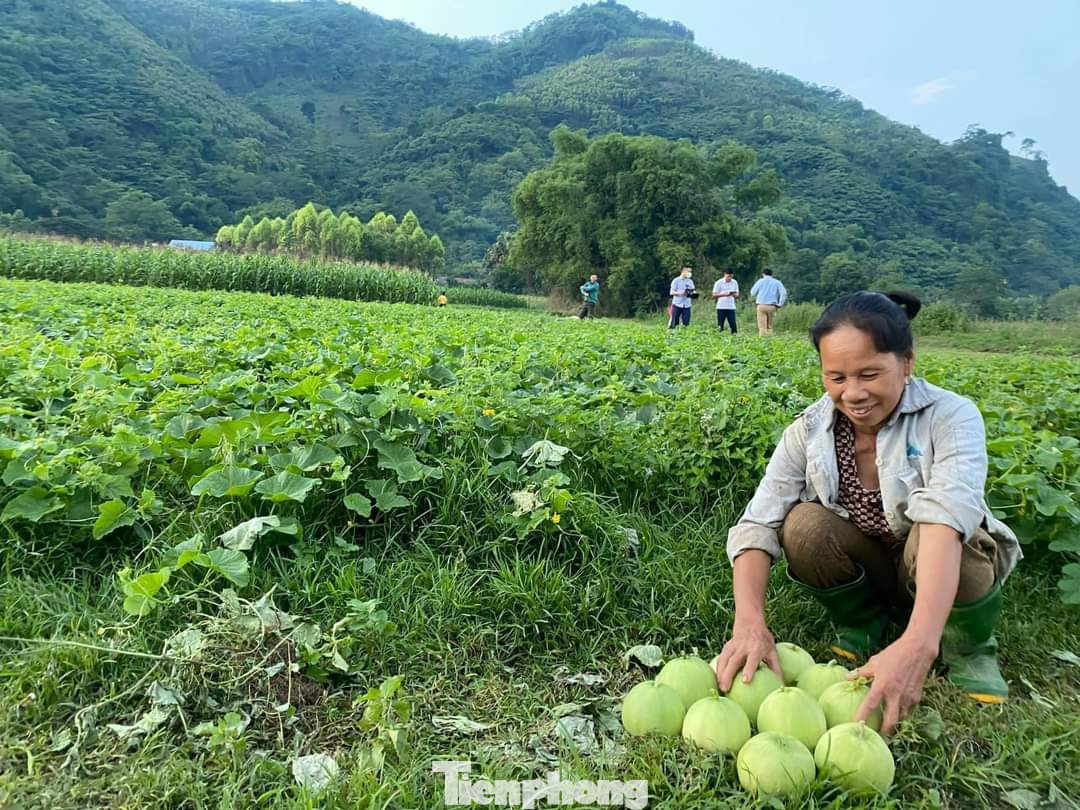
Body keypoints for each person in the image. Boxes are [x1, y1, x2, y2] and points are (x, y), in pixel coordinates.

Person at [716, 291, 1021, 735]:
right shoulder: (808, 430)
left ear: (908, 362)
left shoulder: (951, 417)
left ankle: (967, 645)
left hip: (938, 561)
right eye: (836, 377)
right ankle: (864, 624)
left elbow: (945, 519)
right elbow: (757, 523)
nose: (853, 393)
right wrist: (749, 624)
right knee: (802, 525)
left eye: (870, 374)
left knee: (962, 529)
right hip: (875, 565)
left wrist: (919, 645)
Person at [749, 268, 788, 336]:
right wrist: (780, 304)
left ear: (763, 274)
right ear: (772, 274)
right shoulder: (777, 282)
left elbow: (752, 293)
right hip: (772, 306)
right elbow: (783, 293)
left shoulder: (760, 281)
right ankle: (770, 339)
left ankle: (763, 341)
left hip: (761, 305)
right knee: (770, 326)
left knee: (762, 327)